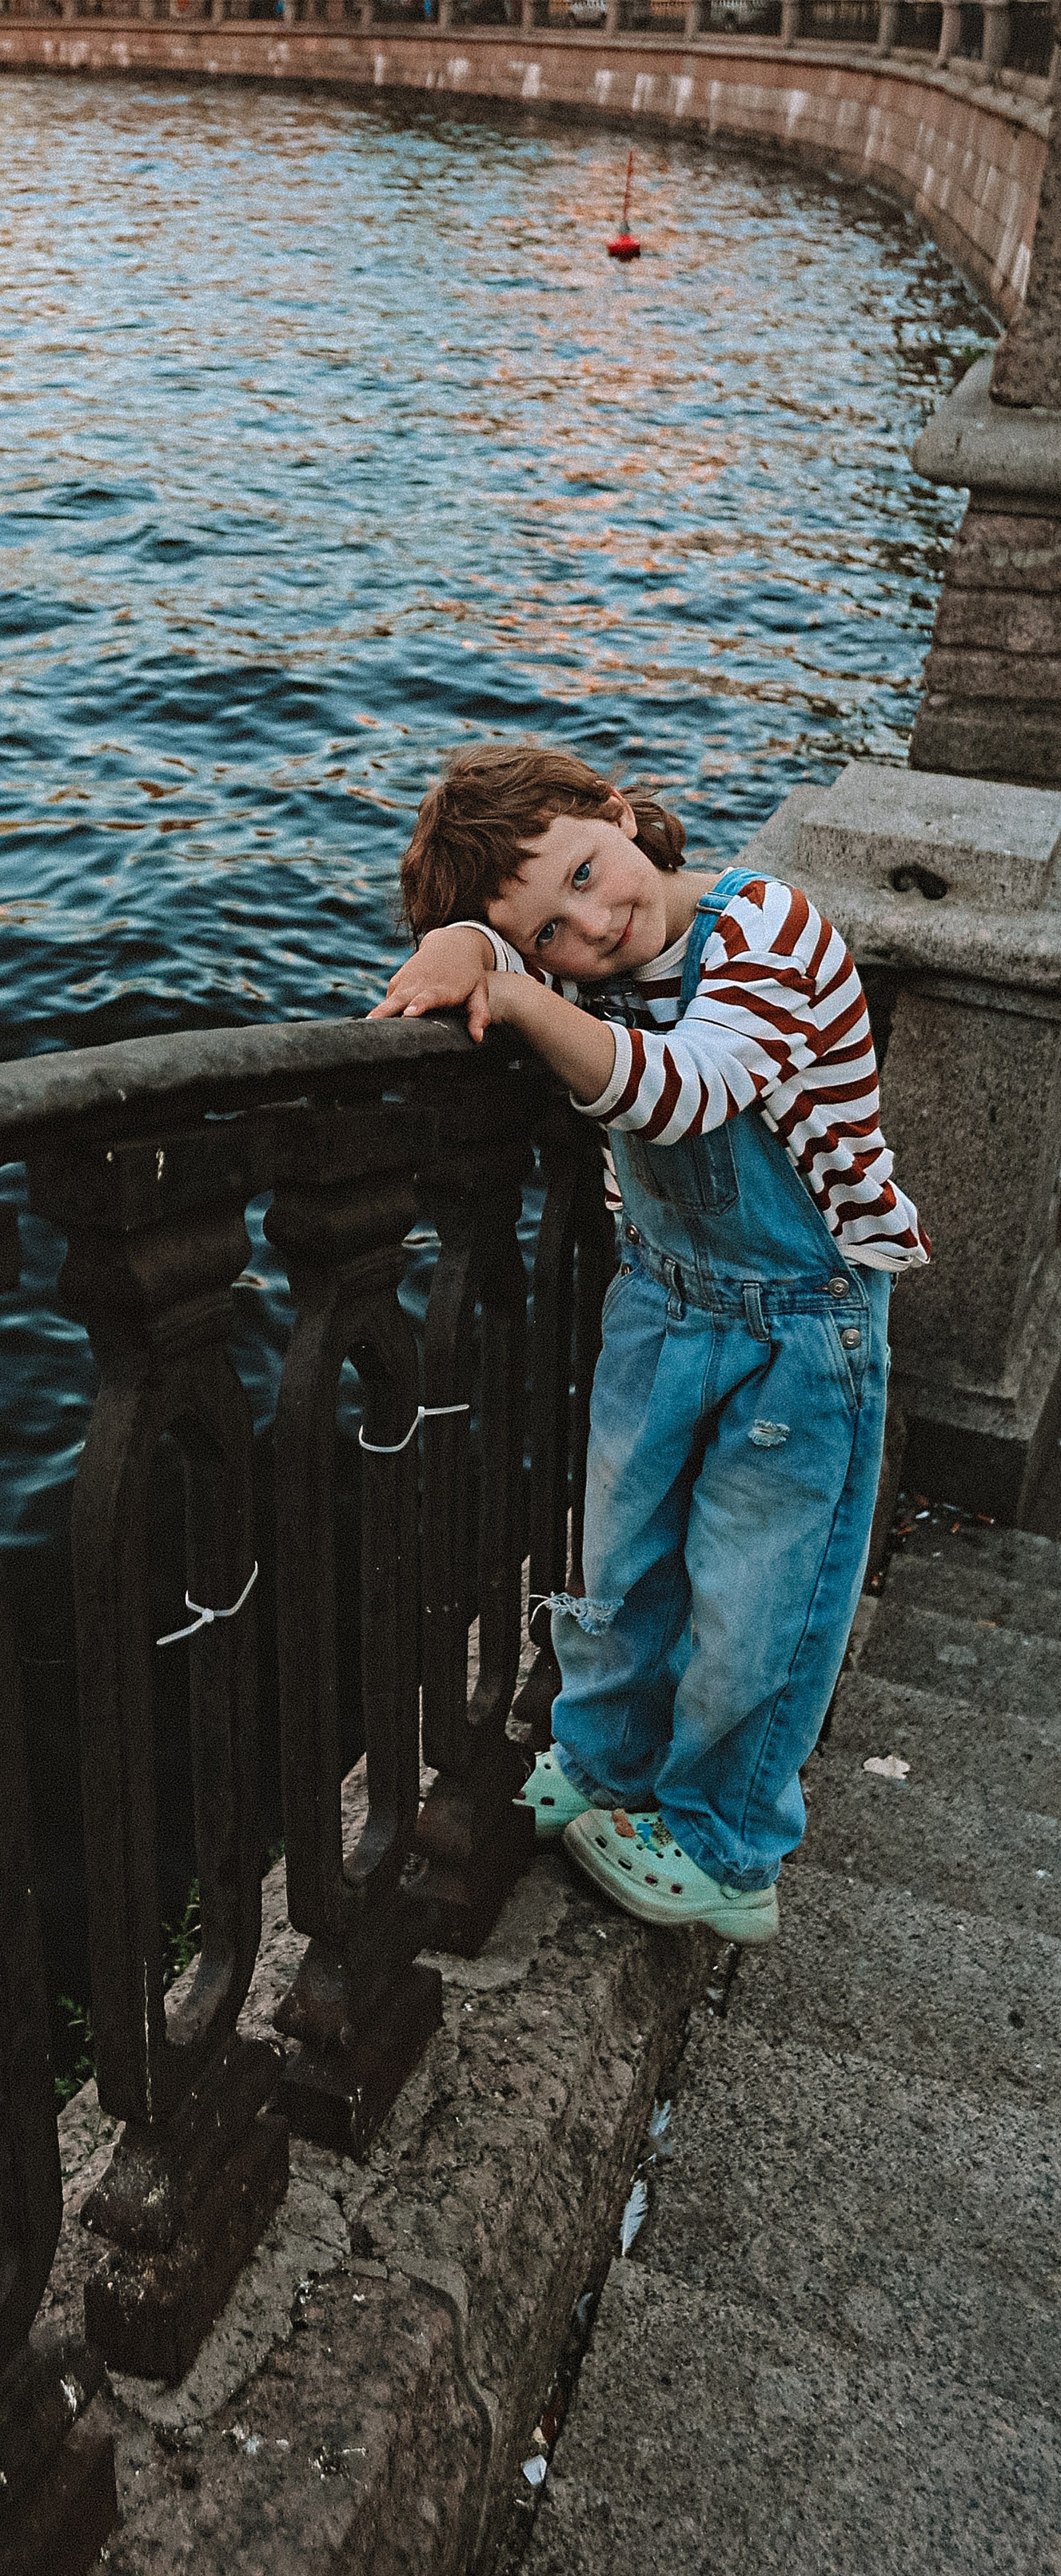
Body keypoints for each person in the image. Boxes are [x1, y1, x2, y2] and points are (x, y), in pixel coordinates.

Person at [373, 743, 926, 1943]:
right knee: (618, 1559)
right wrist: (470, 950)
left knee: (758, 1595)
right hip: (666, 1300)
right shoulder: (574, 954)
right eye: (551, 932)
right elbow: (508, 954)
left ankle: (729, 1844)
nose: (591, 923)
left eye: (586, 869)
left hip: (802, 1324)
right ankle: (604, 1753)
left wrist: (517, 992)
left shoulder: (765, 929)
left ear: (618, 814)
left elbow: (684, 1091)